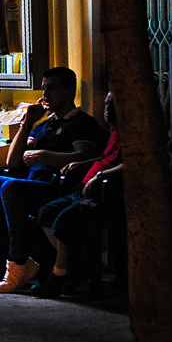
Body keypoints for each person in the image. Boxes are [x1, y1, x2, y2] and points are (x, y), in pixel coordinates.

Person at [0, 67, 106, 293]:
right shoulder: (42, 126)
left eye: (52, 88)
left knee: (11, 187)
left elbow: (84, 158)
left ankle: (19, 261)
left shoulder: (81, 123)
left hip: (55, 187)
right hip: (27, 183)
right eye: (43, 89)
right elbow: (13, 162)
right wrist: (27, 122)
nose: (46, 95)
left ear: (69, 91)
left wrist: (45, 156)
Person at [31, 91, 123, 299]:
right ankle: (77, 266)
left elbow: (129, 165)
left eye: (113, 105)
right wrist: (80, 165)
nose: (108, 109)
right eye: (107, 104)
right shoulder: (113, 134)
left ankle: (59, 274)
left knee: (64, 220)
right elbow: (103, 158)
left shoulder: (132, 136)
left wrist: (99, 177)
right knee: (46, 213)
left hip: (103, 195)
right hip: (81, 189)